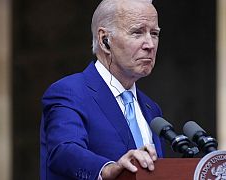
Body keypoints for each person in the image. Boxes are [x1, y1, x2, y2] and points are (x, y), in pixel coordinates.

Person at [40, 0, 163, 179]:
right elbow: (64, 150)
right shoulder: (69, 92)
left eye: (154, 33)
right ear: (105, 40)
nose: (150, 45)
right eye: (137, 32)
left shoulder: (152, 109)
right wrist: (107, 169)